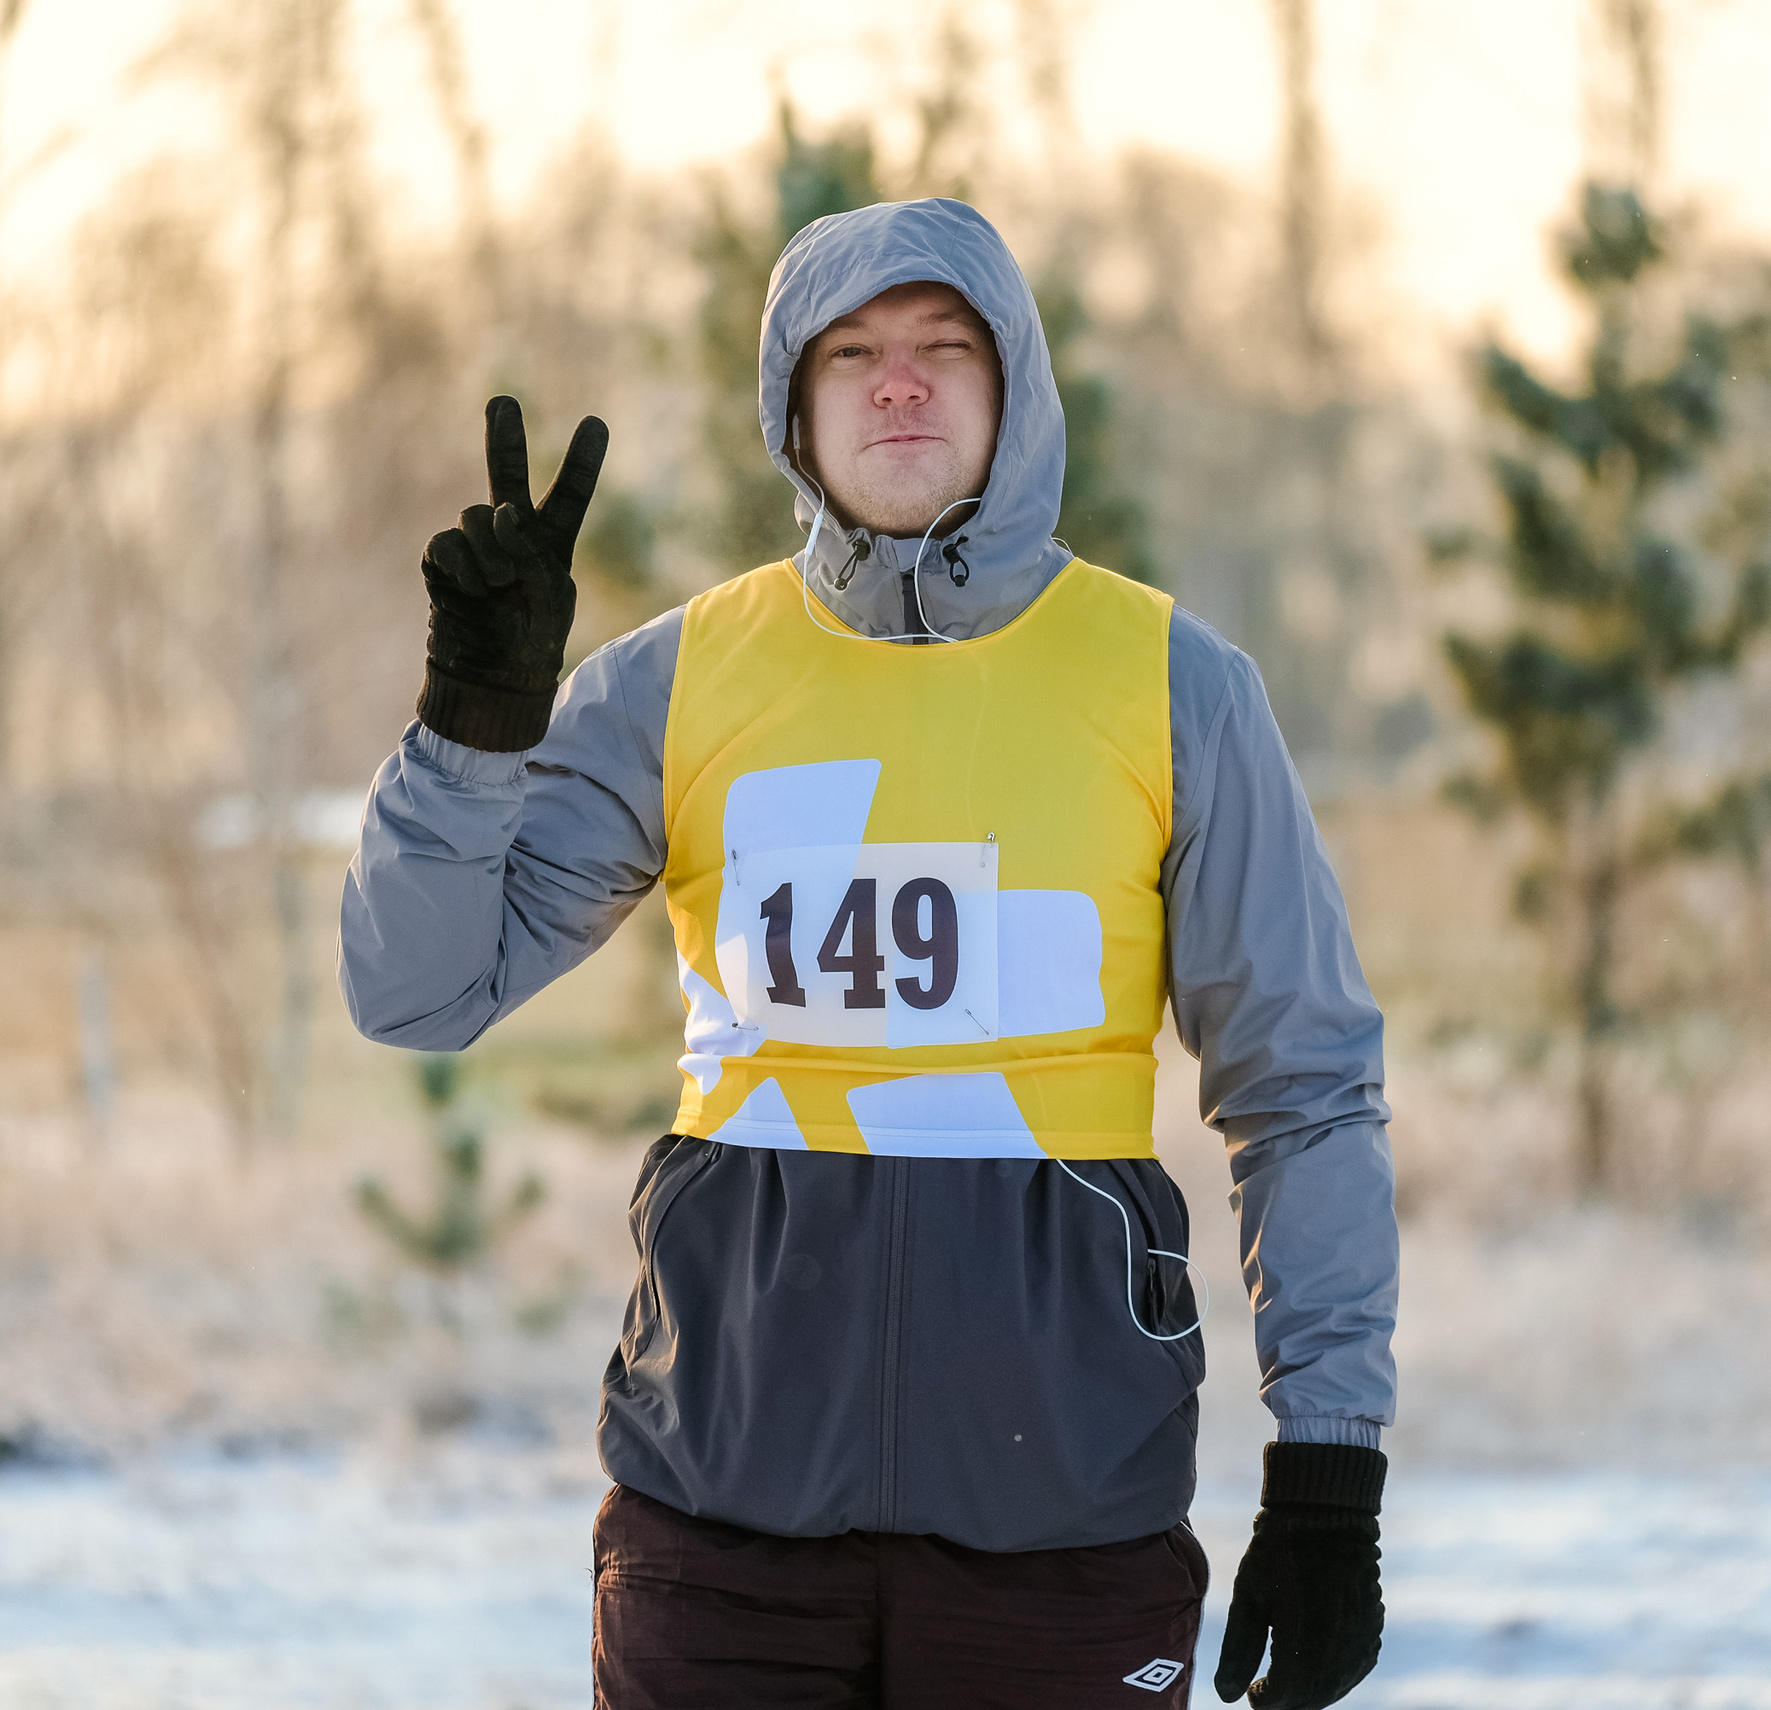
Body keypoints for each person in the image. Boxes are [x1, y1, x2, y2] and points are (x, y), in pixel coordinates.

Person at [340, 197, 1399, 1710]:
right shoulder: (682, 680)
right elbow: (414, 988)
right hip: (721, 1535)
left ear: (1013, 388)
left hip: (1065, 1530)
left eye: (943, 347)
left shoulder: (1174, 688)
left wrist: (1329, 1476)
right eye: (853, 353)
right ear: (796, 403)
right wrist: (471, 725)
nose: (899, 381)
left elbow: (1305, 1093)